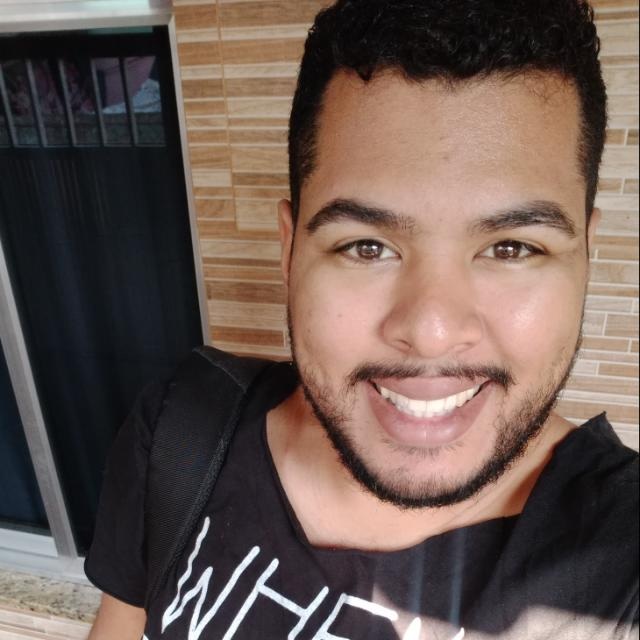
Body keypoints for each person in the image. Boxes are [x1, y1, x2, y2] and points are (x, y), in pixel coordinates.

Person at [85, 0, 639, 638]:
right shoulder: (182, 428)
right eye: (367, 247)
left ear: (587, 256)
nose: (430, 331)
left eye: (511, 248)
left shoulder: (620, 569)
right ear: (290, 252)